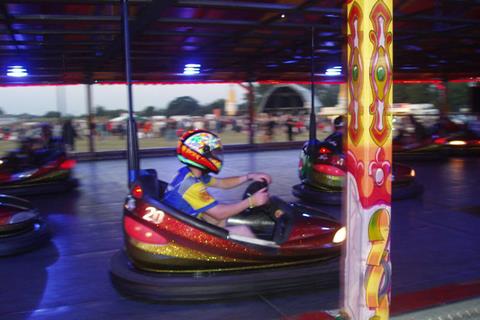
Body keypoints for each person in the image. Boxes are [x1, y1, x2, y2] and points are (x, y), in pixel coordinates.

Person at [163, 129, 271, 237]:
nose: (216, 156)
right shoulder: (191, 185)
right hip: (182, 232)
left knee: (224, 218)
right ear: (199, 155)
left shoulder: (190, 173)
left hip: (185, 219)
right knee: (243, 230)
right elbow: (219, 213)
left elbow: (222, 183)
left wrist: (249, 176)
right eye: (213, 153)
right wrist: (251, 201)